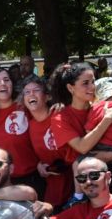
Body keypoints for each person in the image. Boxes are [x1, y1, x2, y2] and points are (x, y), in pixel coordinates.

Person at [51, 63, 112, 200]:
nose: (92, 87)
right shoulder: (60, 117)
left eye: (93, 81)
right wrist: (107, 120)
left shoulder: (108, 106)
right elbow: (82, 147)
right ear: (71, 88)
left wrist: (111, 155)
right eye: (85, 83)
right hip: (86, 182)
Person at [0, 68, 42, 194]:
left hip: (33, 179)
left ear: (12, 84)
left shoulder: (26, 107)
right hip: (2, 184)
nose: (3, 84)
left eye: (6, 80)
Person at [20, 77, 73, 207]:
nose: (31, 94)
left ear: (47, 97)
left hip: (77, 186)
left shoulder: (60, 115)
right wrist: (39, 165)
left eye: (36, 90)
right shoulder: (28, 125)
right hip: (52, 191)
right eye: (27, 92)